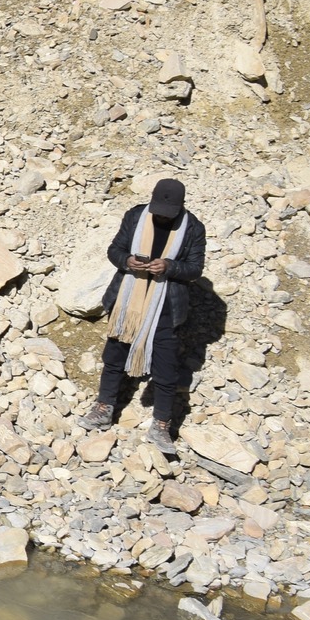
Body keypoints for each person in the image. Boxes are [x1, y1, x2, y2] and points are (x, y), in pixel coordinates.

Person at [83, 177, 206, 456]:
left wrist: (169, 266)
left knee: (165, 368)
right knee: (114, 355)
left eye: (168, 212)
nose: (162, 216)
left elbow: (195, 268)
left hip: (166, 307)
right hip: (127, 301)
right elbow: (114, 250)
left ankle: (161, 424)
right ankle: (104, 408)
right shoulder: (136, 215)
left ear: (180, 207)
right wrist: (127, 261)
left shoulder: (193, 229)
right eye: (159, 210)